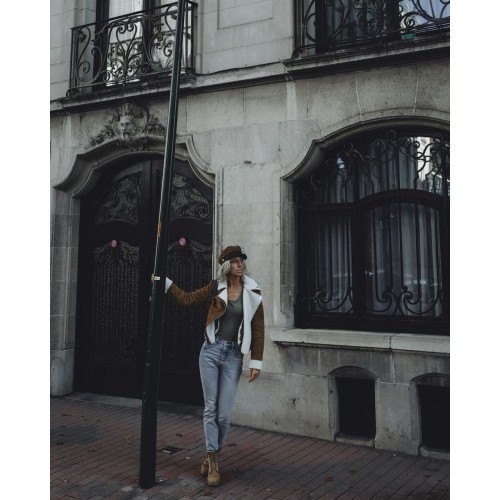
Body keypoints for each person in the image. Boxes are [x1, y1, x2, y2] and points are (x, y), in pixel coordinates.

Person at [164, 245, 265, 487]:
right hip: (210, 351)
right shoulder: (214, 288)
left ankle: (212, 454)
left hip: (233, 356)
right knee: (210, 408)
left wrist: (256, 361)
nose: (240, 265)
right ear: (226, 266)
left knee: (224, 415)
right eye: (235, 261)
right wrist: (164, 283)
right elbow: (187, 298)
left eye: (241, 261)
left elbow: (258, 328)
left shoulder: (252, 290)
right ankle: (213, 460)